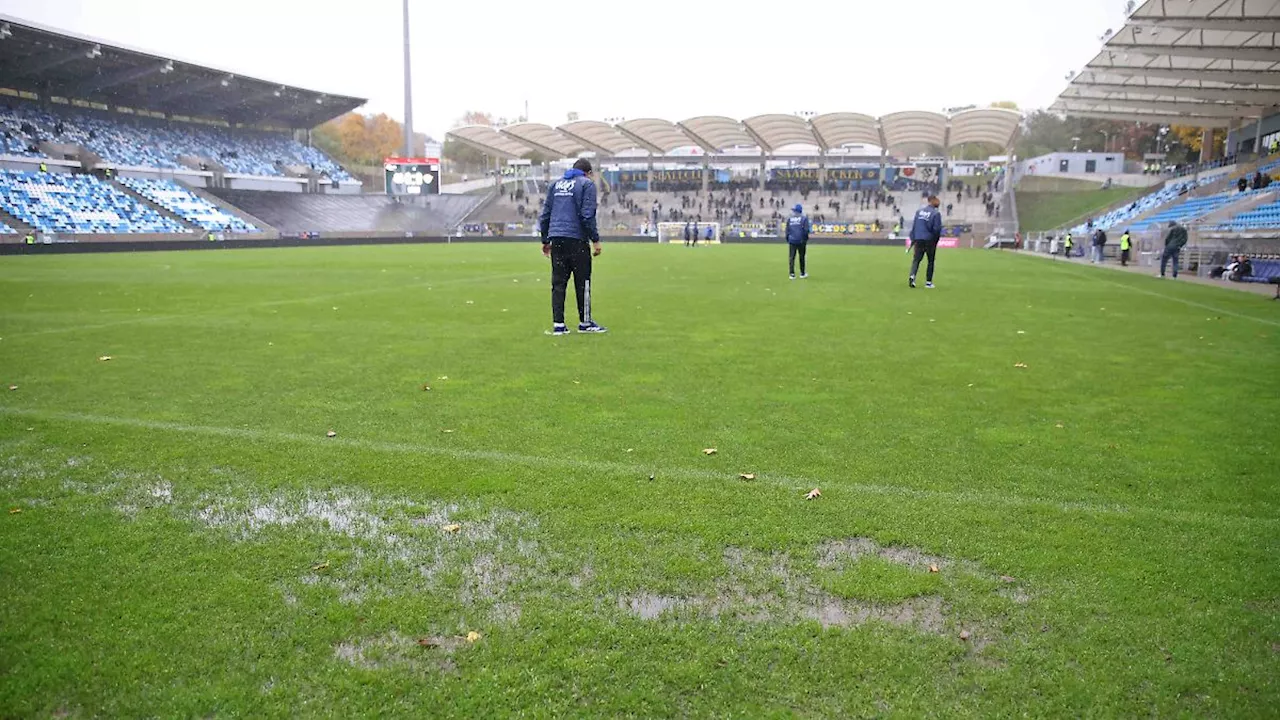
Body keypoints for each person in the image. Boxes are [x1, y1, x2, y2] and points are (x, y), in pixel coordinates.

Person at [539, 158, 606, 335]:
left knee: (558, 283)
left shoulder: (555, 185)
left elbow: (545, 215)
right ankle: (585, 322)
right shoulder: (586, 185)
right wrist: (595, 240)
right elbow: (587, 215)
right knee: (582, 281)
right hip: (577, 239)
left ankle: (558, 325)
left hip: (557, 239)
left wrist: (545, 240)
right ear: (588, 173)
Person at [908, 195, 943, 289]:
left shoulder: (919, 212)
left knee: (916, 259)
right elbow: (937, 229)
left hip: (918, 238)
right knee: (930, 261)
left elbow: (914, 226)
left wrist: (913, 238)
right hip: (929, 239)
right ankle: (928, 282)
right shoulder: (936, 214)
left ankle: (912, 276)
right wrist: (936, 240)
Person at [785, 203, 810, 279]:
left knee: (791, 257)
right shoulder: (804, 218)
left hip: (792, 240)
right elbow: (806, 230)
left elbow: (787, 230)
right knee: (801, 257)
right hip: (801, 240)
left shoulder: (790, 219)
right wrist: (805, 239)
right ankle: (802, 273)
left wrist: (788, 239)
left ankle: (791, 274)